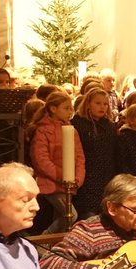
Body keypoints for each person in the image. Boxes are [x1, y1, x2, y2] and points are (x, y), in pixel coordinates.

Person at [29, 92, 86, 234]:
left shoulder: (71, 130)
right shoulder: (43, 130)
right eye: (66, 108)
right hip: (50, 183)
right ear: (53, 109)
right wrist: (63, 176)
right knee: (70, 215)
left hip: (69, 183)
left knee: (60, 217)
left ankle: (55, 246)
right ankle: (44, 239)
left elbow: (79, 156)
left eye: (71, 108)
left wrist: (77, 178)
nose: (70, 112)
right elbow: (41, 159)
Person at [73, 89, 118, 220]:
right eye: (98, 103)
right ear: (88, 104)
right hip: (87, 176)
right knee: (88, 215)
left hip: (106, 176)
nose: (102, 107)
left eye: (105, 104)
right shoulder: (78, 124)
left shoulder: (109, 126)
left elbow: (114, 152)